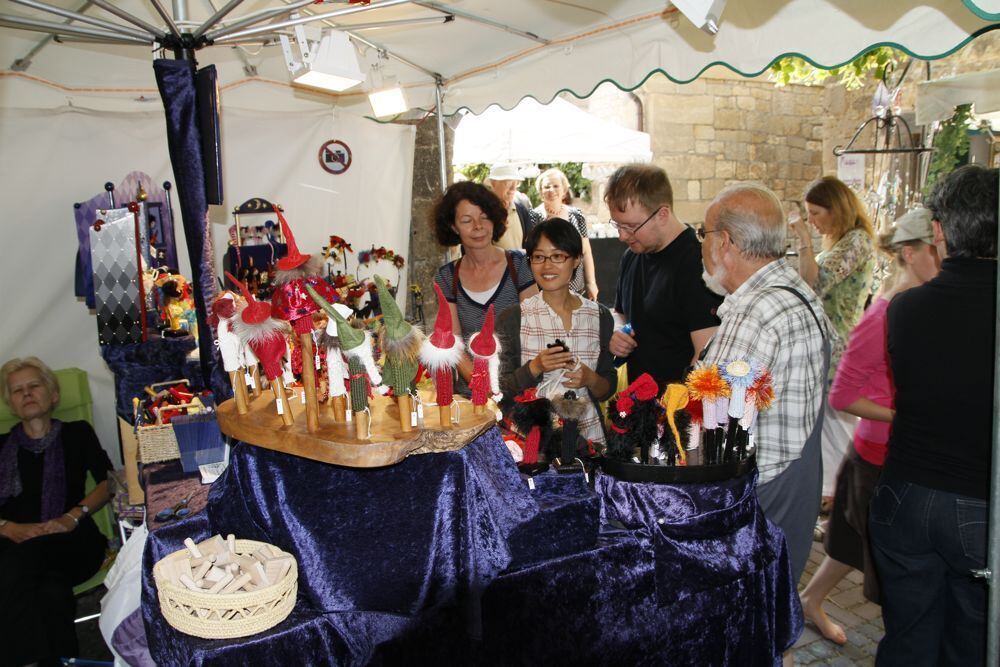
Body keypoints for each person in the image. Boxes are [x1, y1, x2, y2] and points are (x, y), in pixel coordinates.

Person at [869, 165, 998, 667]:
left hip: (906, 494)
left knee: (908, 636)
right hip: (979, 499)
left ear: (940, 232)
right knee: (971, 641)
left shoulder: (906, 308)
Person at [798, 207, 940, 645]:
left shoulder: (923, 308)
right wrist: (904, 415)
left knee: (848, 545)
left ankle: (809, 601)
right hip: (876, 458)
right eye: (940, 252)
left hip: (890, 456)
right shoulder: (882, 316)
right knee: (879, 560)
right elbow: (842, 397)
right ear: (912, 254)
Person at [699, 182, 832, 585]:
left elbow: (714, 424)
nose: (700, 246)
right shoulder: (798, 293)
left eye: (702, 235)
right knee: (776, 617)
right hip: (795, 486)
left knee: (752, 628)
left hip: (760, 499)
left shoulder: (756, 311)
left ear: (724, 242)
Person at [0, 357, 112, 666]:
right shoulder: (0, 445)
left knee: (12, 568)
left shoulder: (77, 433)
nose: (27, 394)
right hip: (12, 540)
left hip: (70, 537)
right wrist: (8, 527)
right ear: (11, 404)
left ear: (53, 395)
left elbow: (109, 482)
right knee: (51, 592)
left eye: (34, 386)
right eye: (17, 390)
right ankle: (58, 662)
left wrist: (72, 516)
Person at [790, 176, 876, 512]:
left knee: (838, 424)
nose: (811, 221)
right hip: (831, 342)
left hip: (840, 346)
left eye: (815, 213)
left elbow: (815, 282)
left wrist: (803, 241)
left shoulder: (855, 241)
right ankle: (836, 501)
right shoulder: (842, 241)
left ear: (834, 209)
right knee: (828, 423)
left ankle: (847, 502)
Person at [497, 218, 616, 446]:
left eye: (558, 256)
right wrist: (535, 367)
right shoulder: (514, 318)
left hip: (590, 443)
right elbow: (500, 390)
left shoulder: (599, 316)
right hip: (533, 446)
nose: (547, 266)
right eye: (539, 257)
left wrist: (589, 378)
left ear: (577, 260)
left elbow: (605, 388)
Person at [606, 164, 721, 393]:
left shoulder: (697, 264)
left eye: (630, 226)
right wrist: (618, 330)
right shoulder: (632, 256)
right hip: (640, 410)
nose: (622, 236)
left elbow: (706, 356)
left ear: (662, 214)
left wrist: (675, 414)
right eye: (617, 225)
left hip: (676, 414)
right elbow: (621, 312)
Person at [431, 181, 539, 389]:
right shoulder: (447, 277)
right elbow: (454, 344)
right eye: (466, 220)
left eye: (484, 217)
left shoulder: (519, 265)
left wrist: (509, 388)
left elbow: (534, 332)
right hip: (473, 395)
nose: (478, 226)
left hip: (521, 389)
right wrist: (481, 385)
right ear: (453, 227)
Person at [533, 168, 599, 300]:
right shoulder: (533, 217)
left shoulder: (576, 215)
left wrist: (591, 282)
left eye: (556, 185)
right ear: (541, 192)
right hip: (545, 288)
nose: (551, 189)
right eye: (546, 186)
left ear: (564, 190)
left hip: (575, 287)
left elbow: (585, 251)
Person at [485, 163, 541, 251]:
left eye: (516, 183)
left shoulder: (522, 208)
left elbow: (531, 243)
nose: (513, 188)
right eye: (508, 183)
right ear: (493, 183)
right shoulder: (483, 213)